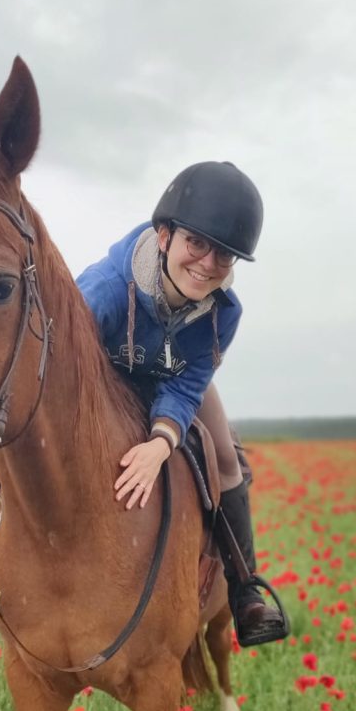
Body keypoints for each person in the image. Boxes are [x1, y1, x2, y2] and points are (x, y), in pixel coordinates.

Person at [75, 161, 287, 647]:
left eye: (225, 256)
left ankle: (244, 590)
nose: (208, 264)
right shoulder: (103, 291)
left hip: (171, 378)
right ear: (165, 235)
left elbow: (190, 381)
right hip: (100, 377)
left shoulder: (223, 315)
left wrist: (160, 442)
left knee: (227, 456)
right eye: (197, 244)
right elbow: (61, 371)